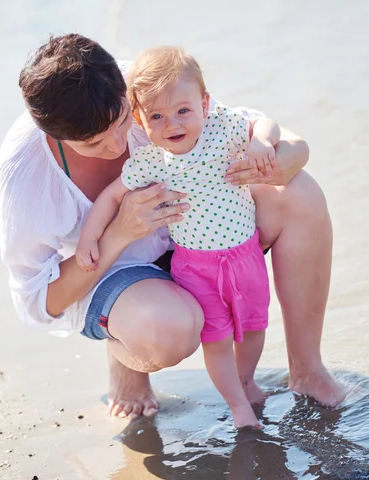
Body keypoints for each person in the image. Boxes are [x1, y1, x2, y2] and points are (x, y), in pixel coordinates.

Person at [0, 34, 345, 422]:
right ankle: (123, 353)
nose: (116, 144)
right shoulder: (25, 174)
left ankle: (308, 370)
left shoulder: (144, 86)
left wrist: (289, 158)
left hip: (204, 237)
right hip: (120, 276)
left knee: (300, 193)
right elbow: (39, 302)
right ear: (55, 137)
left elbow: (256, 128)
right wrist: (118, 233)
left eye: (124, 121)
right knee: (168, 332)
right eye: (94, 143)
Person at [76, 46, 281, 428]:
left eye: (183, 110)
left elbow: (266, 123)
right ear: (139, 119)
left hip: (246, 256)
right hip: (196, 267)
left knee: (253, 326)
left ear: (204, 104)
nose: (172, 123)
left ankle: (246, 380)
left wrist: (262, 143)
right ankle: (237, 405)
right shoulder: (151, 161)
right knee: (217, 339)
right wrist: (90, 237)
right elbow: (111, 196)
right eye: (157, 116)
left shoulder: (225, 129)